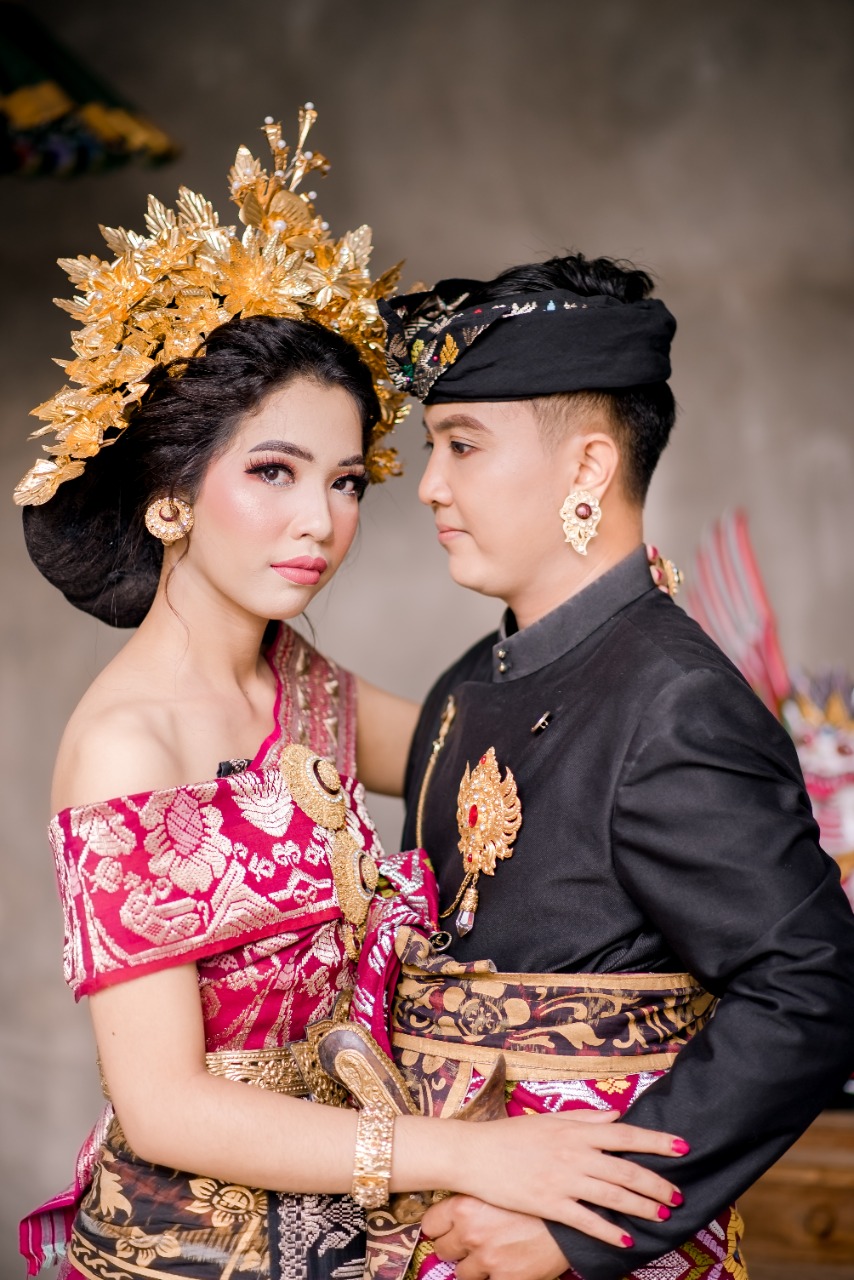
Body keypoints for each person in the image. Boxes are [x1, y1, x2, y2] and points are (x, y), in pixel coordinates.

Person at [15, 122, 689, 1280]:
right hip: (193, 1244)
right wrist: (474, 1154)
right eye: (271, 472)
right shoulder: (127, 742)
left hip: (358, 1221)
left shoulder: (304, 686)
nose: (320, 521)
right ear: (168, 495)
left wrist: (634, 643)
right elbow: (166, 1104)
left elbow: (497, 754)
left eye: (341, 481)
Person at [379, 255, 854, 1280]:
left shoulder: (673, 699)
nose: (429, 485)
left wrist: (578, 1226)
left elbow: (812, 983)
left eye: (462, 445)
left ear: (588, 467)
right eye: (430, 447)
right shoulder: (465, 682)